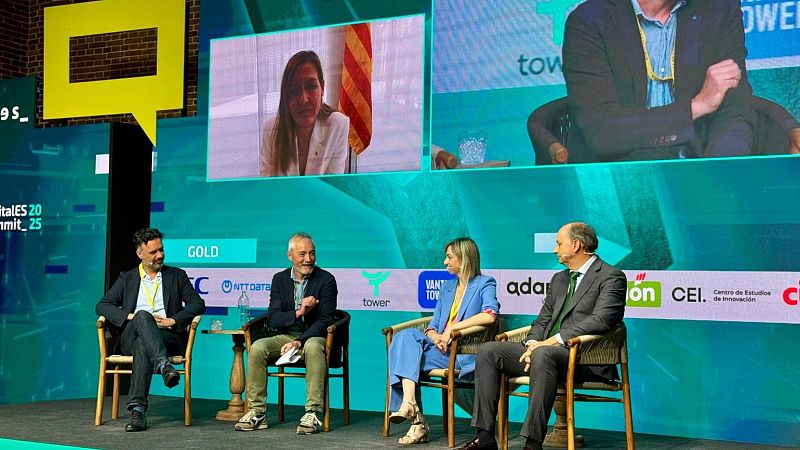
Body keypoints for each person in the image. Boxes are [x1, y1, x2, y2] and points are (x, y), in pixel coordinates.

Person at [455, 222, 626, 450]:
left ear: (576, 245)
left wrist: (551, 342)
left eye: (558, 243)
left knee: (544, 353)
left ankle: (532, 443)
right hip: (545, 353)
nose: (555, 249)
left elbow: (602, 319)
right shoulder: (559, 279)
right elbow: (543, 320)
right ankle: (484, 436)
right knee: (489, 350)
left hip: (586, 357)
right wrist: (532, 343)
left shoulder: (611, 276)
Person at [562, 0, 756, 162]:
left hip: (696, 174)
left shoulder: (719, 9)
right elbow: (602, 131)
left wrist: (719, 173)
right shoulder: (588, 21)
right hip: (617, 179)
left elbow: (735, 111)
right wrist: (695, 107)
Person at [387, 237, 499, 445]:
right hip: (442, 351)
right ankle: (410, 402)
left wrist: (453, 329)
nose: (445, 262)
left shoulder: (485, 283)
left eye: (449, 257)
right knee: (403, 337)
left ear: (464, 259)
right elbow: (433, 325)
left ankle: (417, 422)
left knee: (406, 357)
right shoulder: (447, 287)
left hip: (464, 355)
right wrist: (436, 336)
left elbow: (490, 315)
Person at [95, 228, 206, 432]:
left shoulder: (176, 276)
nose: (160, 255)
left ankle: (137, 411)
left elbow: (197, 304)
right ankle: (164, 366)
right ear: (140, 254)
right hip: (131, 334)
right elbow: (102, 305)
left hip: (166, 336)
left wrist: (172, 320)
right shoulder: (127, 278)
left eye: (161, 250)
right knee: (142, 316)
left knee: (142, 345)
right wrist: (131, 316)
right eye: (153, 252)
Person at [236, 232, 337, 435]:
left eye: (312, 253)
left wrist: (300, 341)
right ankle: (257, 412)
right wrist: (299, 311)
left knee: (312, 346)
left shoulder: (326, 280)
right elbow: (273, 318)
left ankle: (313, 412)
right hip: (286, 336)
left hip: (313, 336)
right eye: (302, 254)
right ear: (290, 255)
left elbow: (326, 319)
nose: (308, 259)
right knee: (257, 348)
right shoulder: (280, 279)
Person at [259, 50, 350, 176]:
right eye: (294, 90)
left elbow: (332, 186)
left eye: (311, 86)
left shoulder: (338, 125)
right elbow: (267, 186)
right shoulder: (271, 129)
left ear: (322, 88)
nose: (303, 99)